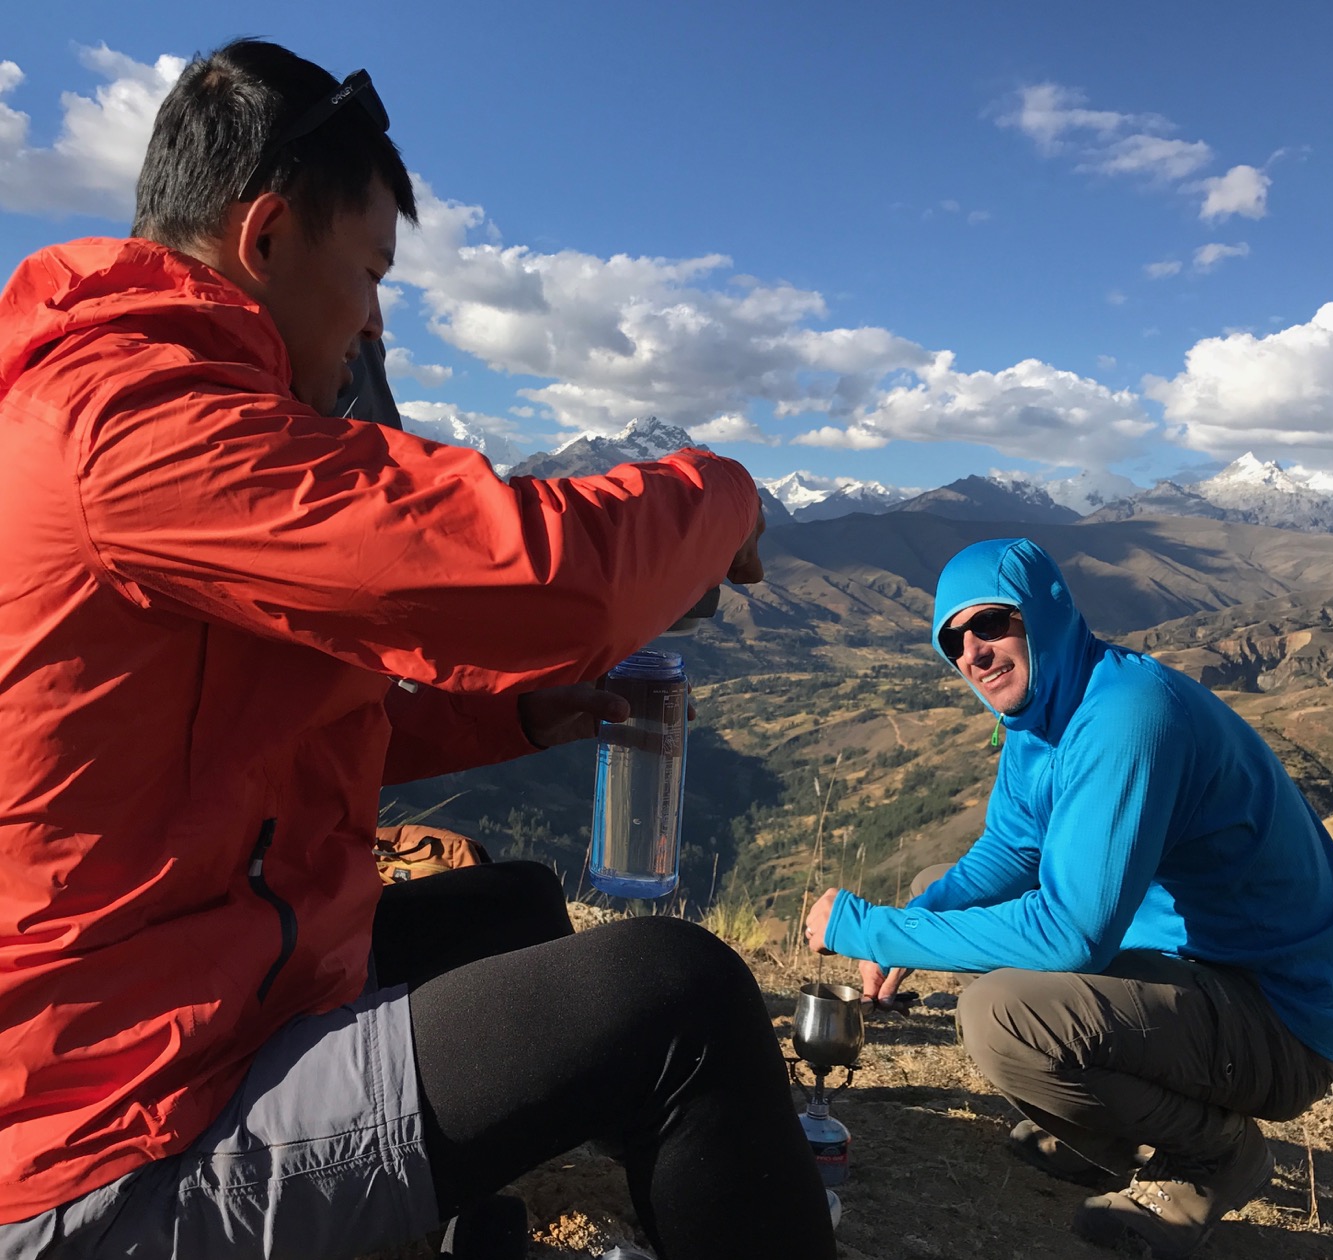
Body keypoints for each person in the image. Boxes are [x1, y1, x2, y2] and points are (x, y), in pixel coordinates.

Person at [0, 38, 834, 1260]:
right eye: (373, 270)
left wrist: (516, 717)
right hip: (115, 1138)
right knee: (680, 1000)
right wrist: (725, 493)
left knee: (511, 909)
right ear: (268, 236)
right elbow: (554, 582)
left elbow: (258, 734)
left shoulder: (119, 400)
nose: (378, 316)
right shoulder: (137, 424)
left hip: (197, 998)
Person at [805, 537, 1333, 1258]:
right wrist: (916, 922)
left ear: (1043, 614)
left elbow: (1071, 934)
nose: (973, 653)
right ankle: (1099, 1131)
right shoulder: (1040, 717)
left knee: (1000, 1017)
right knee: (936, 898)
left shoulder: (1127, 717)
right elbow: (1013, 851)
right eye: (953, 641)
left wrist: (875, 930)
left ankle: (1212, 1158)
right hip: (1195, 973)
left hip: (1280, 1016)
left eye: (990, 624)